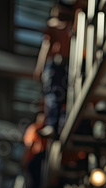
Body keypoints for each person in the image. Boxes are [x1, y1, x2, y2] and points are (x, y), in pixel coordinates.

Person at [34, 4, 75, 138]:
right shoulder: (56, 26)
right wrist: (40, 67)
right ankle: (53, 126)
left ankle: (58, 126)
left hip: (67, 65)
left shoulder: (68, 26)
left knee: (61, 96)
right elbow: (46, 46)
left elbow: (46, 47)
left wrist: (40, 68)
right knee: (54, 96)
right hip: (57, 65)